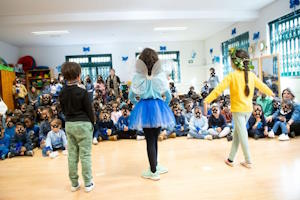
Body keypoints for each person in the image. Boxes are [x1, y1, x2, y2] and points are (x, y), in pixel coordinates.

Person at [204, 48, 274, 169]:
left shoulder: (232, 76)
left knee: (242, 135)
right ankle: (231, 158)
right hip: (248, 110)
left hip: (238, 111)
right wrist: (270, 92)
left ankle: (248, 160)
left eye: (230, 60)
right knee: (237, 133)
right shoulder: (251, 75)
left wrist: (207, 100)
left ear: (234, 62)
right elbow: (262, 85)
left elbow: (218, 90)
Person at [129, 48, 175, 181]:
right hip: (158, 107)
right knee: (155, 138)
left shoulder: (138, 76)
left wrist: (137, 104)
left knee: (150, 140)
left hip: (145, 107)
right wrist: (163, 105)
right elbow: (168, 96)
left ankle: (153, 171)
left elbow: (131, 96)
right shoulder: (160, 75)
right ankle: (155, 165)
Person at [59, 62, 95, 192]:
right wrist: (93, 123)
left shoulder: (62, 92)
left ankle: (74, 184)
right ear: (79, 76)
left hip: (69, 124)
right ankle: (88, 183)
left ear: (63, 76)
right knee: (85, 155)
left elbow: (62, 110)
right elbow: (89, 110)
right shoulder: (82, 91)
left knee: (72, 155)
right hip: (84, 124)